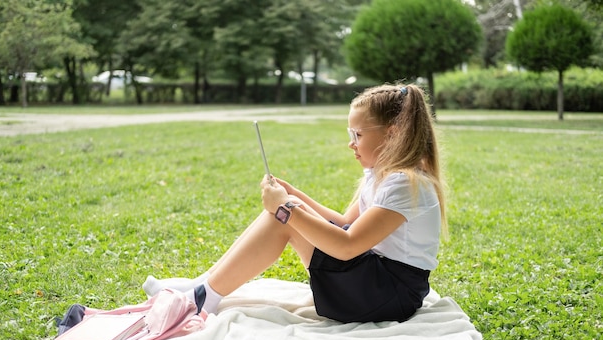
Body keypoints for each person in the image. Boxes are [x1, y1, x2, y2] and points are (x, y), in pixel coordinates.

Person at [143, 83, 447, 323]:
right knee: (284, 213)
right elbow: (344, 222)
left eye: (357, 134)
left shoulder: (406, 183)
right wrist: (293, 195)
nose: (350, 143)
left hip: (388, 295)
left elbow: (347, 244)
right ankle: (204, 286)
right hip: (376, 283)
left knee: (283, 217)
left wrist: (286, 209)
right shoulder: (380, 174)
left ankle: (203, 297)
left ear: (392, 135)